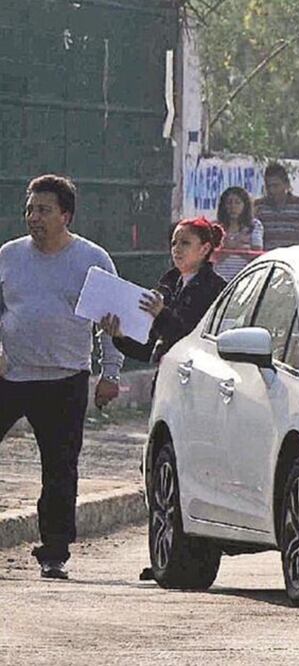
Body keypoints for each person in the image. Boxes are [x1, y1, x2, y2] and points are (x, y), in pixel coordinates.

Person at [0, 174, 122, 579]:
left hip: (65, 379)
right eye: (30, 209)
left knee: (59, 468)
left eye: (44, 210)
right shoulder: (9, 256)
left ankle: (54, 551)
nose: (34, 217)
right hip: (11, 375)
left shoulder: (92, 259)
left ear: (65, 216)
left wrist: (110, 374)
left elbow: (113, 323)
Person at [99, 217, 228, 366]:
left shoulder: (215, 289)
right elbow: (149, 350)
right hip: (166, 376)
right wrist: (120, 337)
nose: (177, 249)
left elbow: (191, 340)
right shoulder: (169, 286)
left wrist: (161, 315)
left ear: (204, 249)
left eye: (185, 243)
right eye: (174, 243)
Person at [254, 162, 299, 249]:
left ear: (286, 184)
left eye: (276, 186)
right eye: (268, 186)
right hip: (268, 257)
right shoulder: (258, 207)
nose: (272, 190)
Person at [212, 186, 263, 281]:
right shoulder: (216, 227)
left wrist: (235, 248)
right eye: (229, 203)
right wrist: (230, 247)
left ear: (245, 205)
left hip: (244, 279)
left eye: (237, 203)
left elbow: (257, 255)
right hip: (219, 279)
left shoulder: (254, 225)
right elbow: (211, 258)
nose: (233, 207)